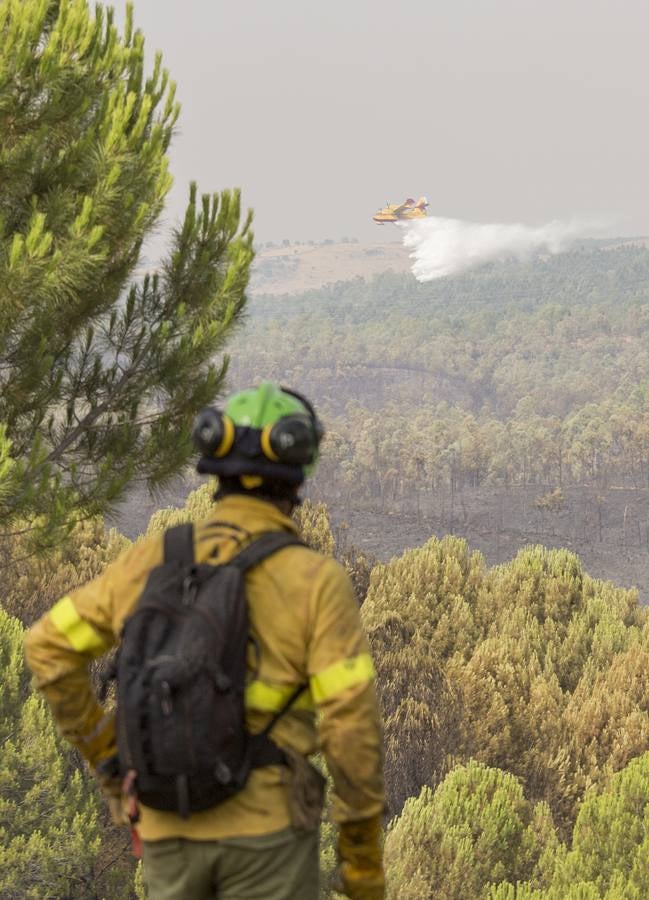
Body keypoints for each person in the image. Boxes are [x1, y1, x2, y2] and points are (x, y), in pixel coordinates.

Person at [24, 382, 385, 900]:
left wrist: (111, 764)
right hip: (269, 836)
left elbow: (48, 646)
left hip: (170, 827)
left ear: (215, 470)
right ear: (298, 474)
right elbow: (351, 729)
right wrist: (363, 870)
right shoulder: (315, 580)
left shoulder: (153, 560)